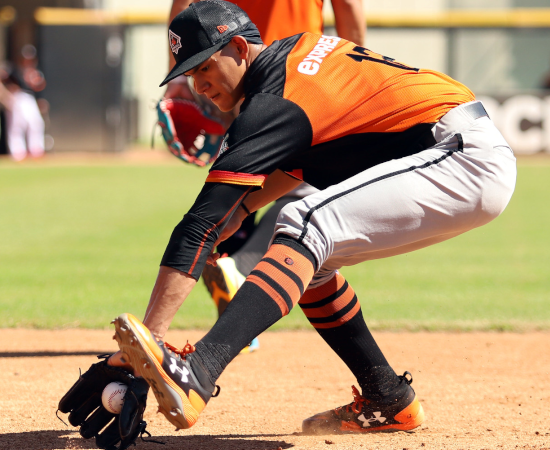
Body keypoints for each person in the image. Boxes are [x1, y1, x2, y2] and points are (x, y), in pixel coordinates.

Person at [111, 0, 517, 434]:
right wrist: (245, 207)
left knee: (304, 223)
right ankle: (387, 398)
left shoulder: (275, 99)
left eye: (204, 67)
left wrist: (144, 351)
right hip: (458, 150)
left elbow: (199, 222)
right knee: (305, 262)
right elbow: (304, 158)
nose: (198, 84)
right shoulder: (297, 55)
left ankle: (199, 373)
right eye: (187, 74)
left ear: (238, 48)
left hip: (459, 155)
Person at [162, 0, 365, 353]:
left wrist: (183, 73)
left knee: (239, 178)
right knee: (310, 174)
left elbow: (184, 5)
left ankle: (230, 271)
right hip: (295, 68)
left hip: (218, 59)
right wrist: (354, 71)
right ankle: (240, 266)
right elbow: (347, 6)